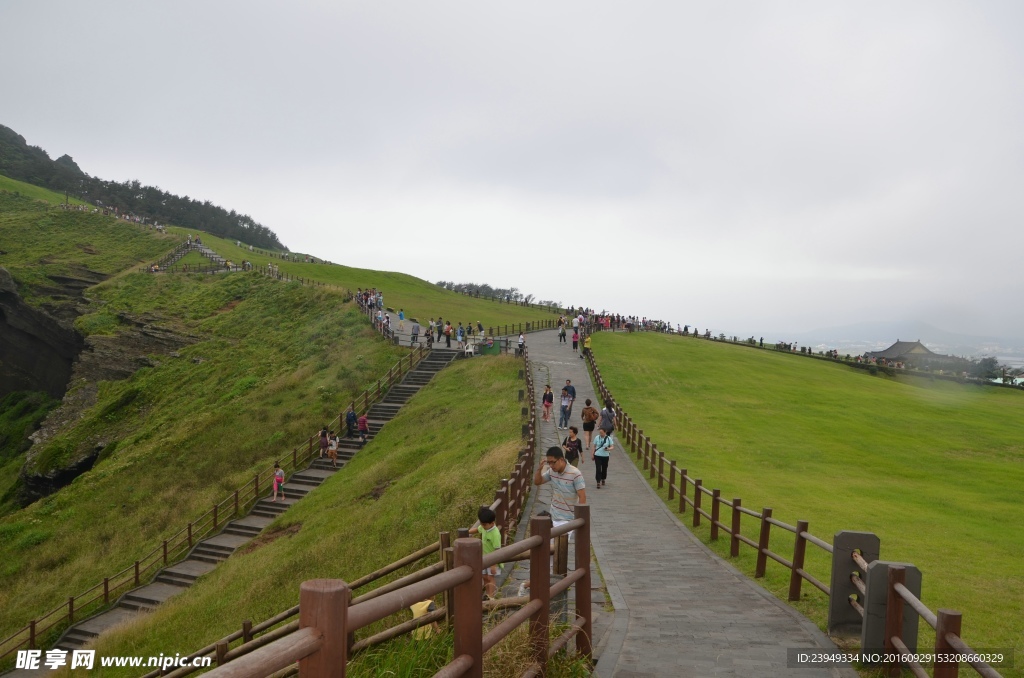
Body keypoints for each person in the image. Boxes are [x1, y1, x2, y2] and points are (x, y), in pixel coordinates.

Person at [533, 447, 586, 535]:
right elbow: (537, 482)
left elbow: (582, 496)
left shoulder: (575, 473)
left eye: (553, 462)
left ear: (561, 459)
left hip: (568, 519)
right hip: (553, 516)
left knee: (560, 543)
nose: (551, 465)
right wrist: (539, 469)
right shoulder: (552, 471)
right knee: (547, 542)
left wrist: (579, 519)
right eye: (549, 463)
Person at [469, 507, 501, 599]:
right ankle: (487, 594)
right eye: (481, 524)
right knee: (484, 577)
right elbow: (477, 529)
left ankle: (491, 597)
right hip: (483, 558)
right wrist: (466, 532)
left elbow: (497, 550)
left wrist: (493, 565)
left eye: (484, 524)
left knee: (490, 578)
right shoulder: (484, 527)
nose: (482, 526)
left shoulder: (495, 534)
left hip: (492, 559)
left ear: (492, 523)